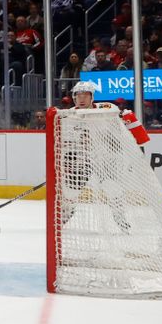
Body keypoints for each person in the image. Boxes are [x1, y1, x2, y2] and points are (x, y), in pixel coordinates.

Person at [61, 81, 150, 232]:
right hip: (84, 159)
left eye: (85, 95)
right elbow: (67, 142)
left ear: (92, 97)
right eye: (78, 95)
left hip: (106, 158)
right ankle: (67, 212)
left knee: (112, 188)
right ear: (74, 98)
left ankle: (119, 216)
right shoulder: (69, 115)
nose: (81, 99)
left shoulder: (107, 108)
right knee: (71, 189)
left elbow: (121, 123)